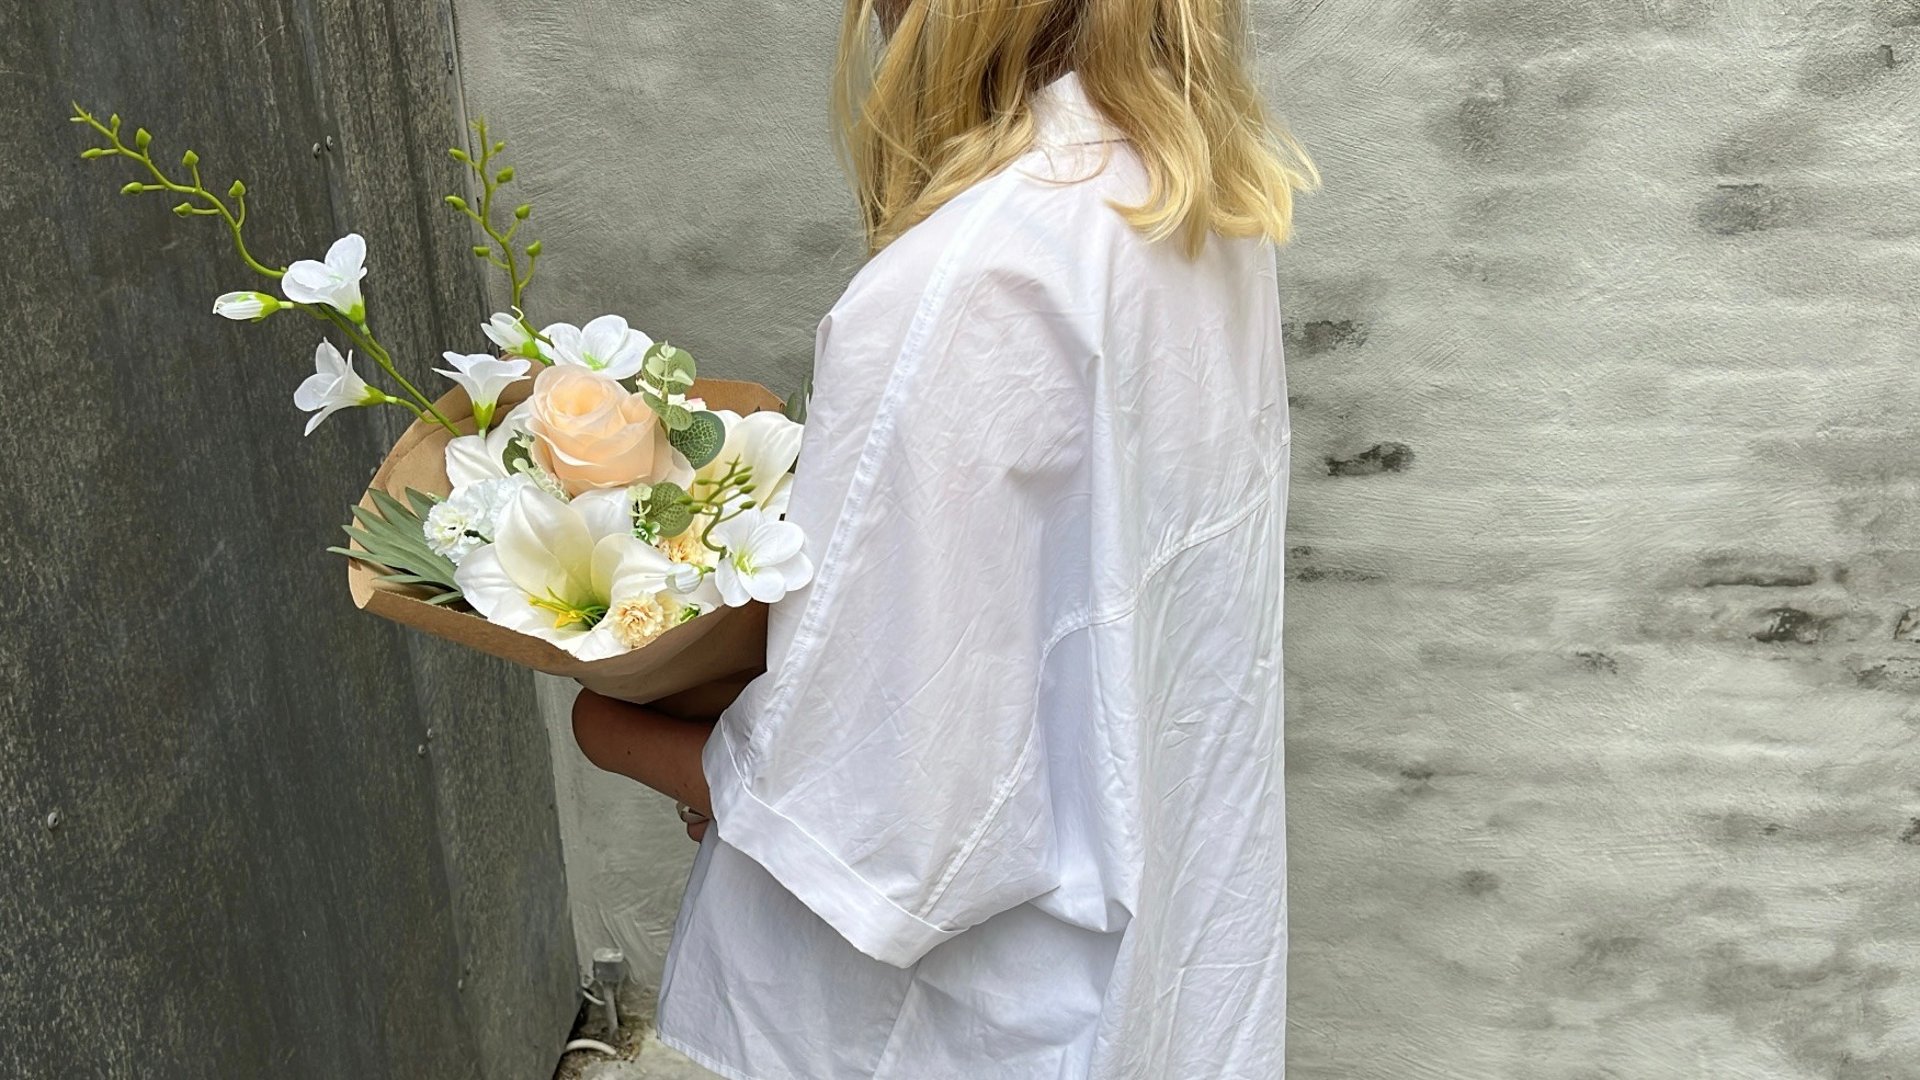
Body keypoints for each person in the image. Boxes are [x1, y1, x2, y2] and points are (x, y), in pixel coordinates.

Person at [568, 0, 1319, 1075]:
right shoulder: (1194, 195)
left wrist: (626, 733)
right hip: (1164, 953)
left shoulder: (976, 282)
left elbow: (892, 823)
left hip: (1006, 1015)